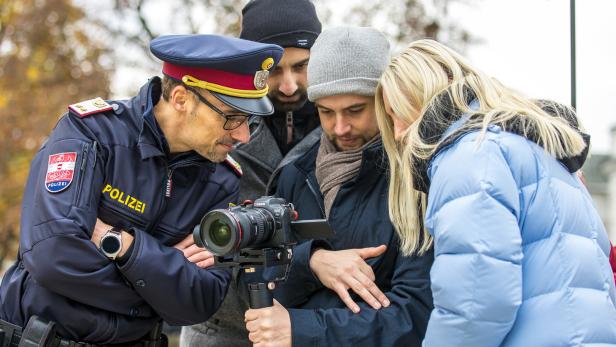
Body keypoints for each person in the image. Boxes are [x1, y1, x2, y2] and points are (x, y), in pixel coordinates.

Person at [0, 34, 283, 345]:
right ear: (181, 99)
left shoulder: (221, 180)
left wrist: (120, 244)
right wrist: (158, 287)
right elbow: (52, 257)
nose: (243, 135)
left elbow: (201, 301)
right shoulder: (90, 133)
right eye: (231, 118)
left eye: (248, 120)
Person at [375, 38, 616, 346]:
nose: (396, 133)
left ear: (424, 96)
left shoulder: (469, 153)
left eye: (398, 112)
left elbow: (476, 302)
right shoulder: (536, 151)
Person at [243, 27, 434, 347]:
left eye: (355, 110)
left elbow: (416, 316)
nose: (340, 127)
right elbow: (255, 280)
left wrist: (301, 330)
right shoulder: (293, 175)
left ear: (385, 100)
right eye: (326, 112)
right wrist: (312, 262)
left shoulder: (416, 181)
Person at [180, 1, 322, 345]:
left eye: (301, 67)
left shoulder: (345, 124)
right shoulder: (211, 124)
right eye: (274, 71)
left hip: (311, 324)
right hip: (219, 329)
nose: (289, 86)